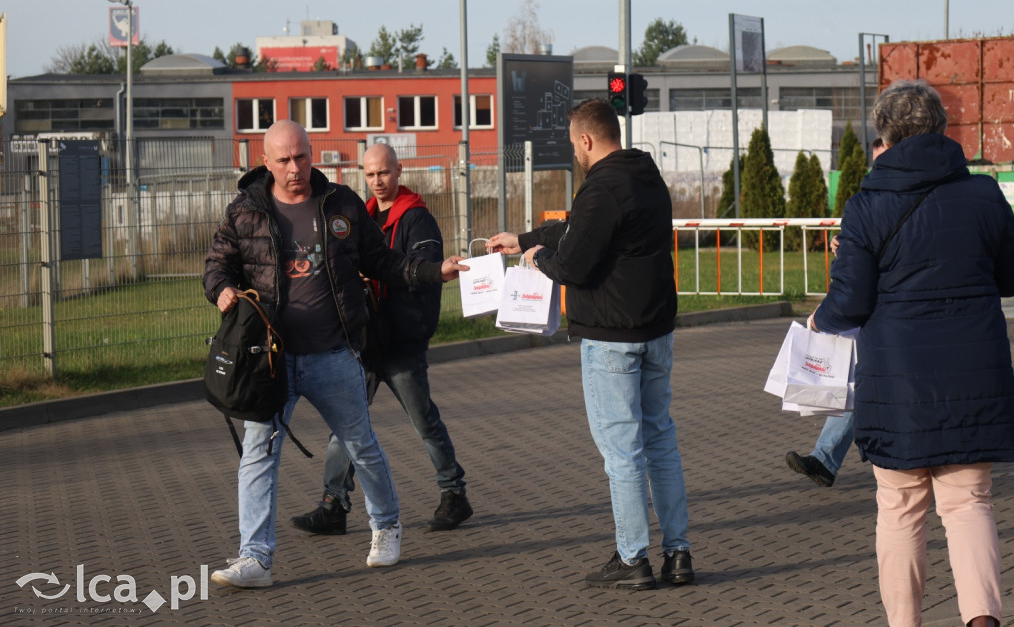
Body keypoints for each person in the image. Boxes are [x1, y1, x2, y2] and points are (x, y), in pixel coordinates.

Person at [203, 120, 467, 588]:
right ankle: (255, 558)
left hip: (333, 354)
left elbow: (383, 261)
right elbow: (217, 263)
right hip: (270, 360)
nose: (294, 169)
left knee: (361, 445)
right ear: (266, 162)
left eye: (301, 157)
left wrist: (433, 271)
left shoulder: (340, 203)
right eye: (283, 160)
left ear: (313, 155)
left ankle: (386, 528)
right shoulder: (246, 210)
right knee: (258, 454)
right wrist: (222, 289)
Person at [809, 81, 1014, 627]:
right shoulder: (984, 194)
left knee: (901, 509)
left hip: (898, 382)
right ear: (939, 129)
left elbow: (851, 302)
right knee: (969, 503)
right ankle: (982, 620)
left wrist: (819, 319)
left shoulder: (866, 207)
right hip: (973, 376)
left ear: (885, 135)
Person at [486, 98, 693, 591]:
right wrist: (525, 236)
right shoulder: (645, 175)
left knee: (622, 451)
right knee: (660, 441)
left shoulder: (601, 187)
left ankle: (632, 558)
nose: (574, 152)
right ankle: (678, 553)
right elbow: (583, 231)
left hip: (611, 338)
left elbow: (575, 262)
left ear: (585, 139)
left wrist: (536, 258)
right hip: (655, 331)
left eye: (573, 143)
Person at [290, 143, 472, 536]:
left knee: (424, 421)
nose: (377, 182)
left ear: (399, 171)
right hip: (365, 340)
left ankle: (454, 494)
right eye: (370, 175)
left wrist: (376, 281)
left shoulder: (417, 219)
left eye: (384, 173)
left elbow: (419, 272)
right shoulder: (362, 216)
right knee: (346, 423)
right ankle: (333, 503)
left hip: (402, 342)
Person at [786, 138, 886, 489]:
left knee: (872, 388)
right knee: (860, 385)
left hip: (906, 320)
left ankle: (830, 459)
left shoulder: (899, 201)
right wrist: (846, 249)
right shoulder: (870, 203)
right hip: (879, 318)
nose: (879, 170)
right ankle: (825, 459)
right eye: (876, 163)